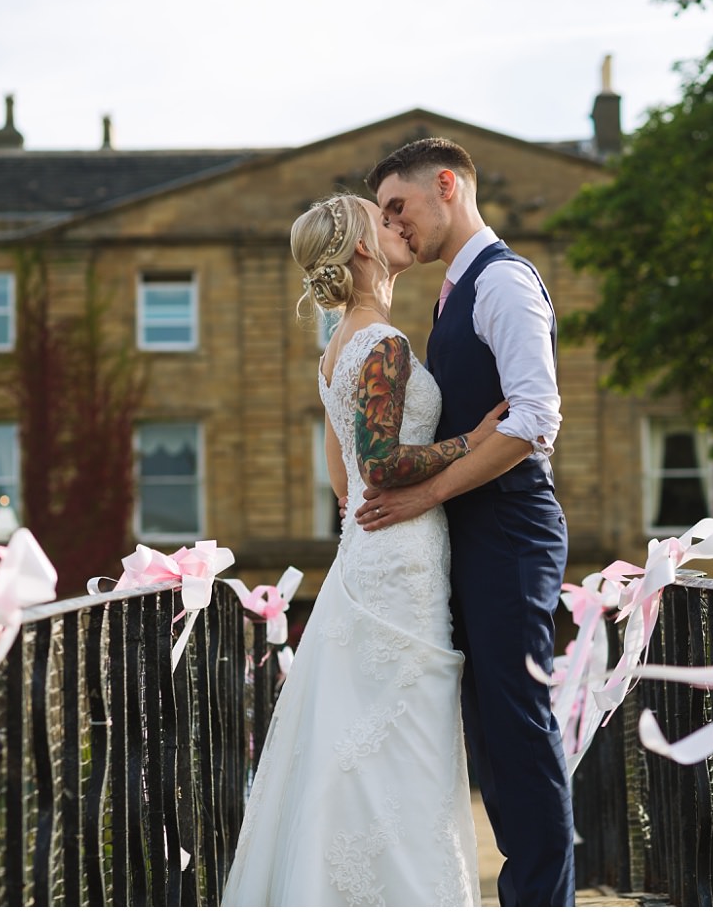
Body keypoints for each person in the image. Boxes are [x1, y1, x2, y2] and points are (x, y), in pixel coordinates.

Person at [221, 192, 505, 906]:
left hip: (369, 557)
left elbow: (340, 478)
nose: (397, 224)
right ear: (362, 249)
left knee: (364, 744)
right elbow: (377, 467)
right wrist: (472, 441)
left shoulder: (335, 349)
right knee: (402, 744)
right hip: (398, 568)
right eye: (383, 220)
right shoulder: (382, 343)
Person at [355, 138, 575, 907]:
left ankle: (543, 898)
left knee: (516, 721)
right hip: (475, 530)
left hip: (513, 527)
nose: (393, 225)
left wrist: (423, 495)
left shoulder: (504, 281)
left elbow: (536, 419)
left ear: (446, 185)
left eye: (397, 206)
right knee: (488, 728)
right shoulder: (452, 292)